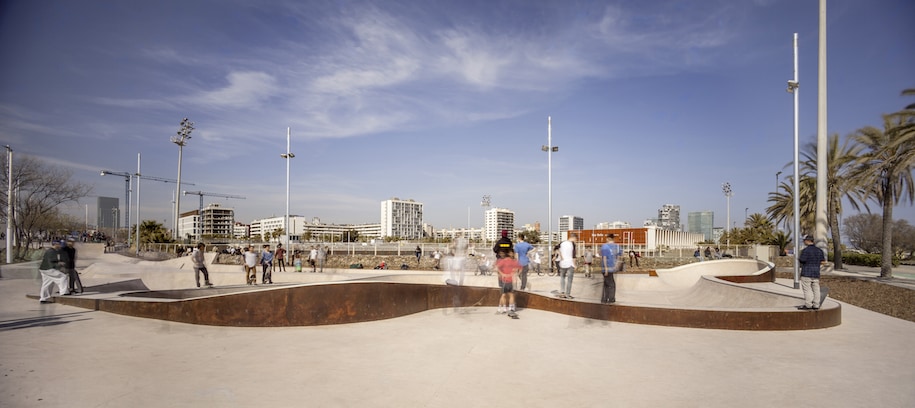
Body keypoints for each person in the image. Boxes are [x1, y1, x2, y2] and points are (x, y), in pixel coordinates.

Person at [798, 235, 826, 310]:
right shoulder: (819, 251)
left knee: (807, 289)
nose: (804, 242)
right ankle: (816, 304)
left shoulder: (805, 250)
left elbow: (802, 260)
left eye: (804, 240)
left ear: (807, 241)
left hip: (806, 272)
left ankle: (808, 304)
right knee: (816, 289)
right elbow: (822, 261)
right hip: (816, 273)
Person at [495, 249, 520, 314]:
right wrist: (502, 274)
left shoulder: (513, 261)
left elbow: (518, 269)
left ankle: (509, 307)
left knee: (509, 294)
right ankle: (505, 308)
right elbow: (496, 267)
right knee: (505, 294)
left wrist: (515, 274)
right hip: (506, 280)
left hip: (509, 280)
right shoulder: (506, 261)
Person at [600, 234, 622, 304]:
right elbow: (619, 257)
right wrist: (617, 265)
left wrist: (606, 269)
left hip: (605, 268)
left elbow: (604, 257)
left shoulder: (605, 246)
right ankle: (610, 299)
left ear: (608, 238)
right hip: (612, 268)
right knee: (611, 284)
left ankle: (605, 299)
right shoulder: (618, 247)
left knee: (607, 283)